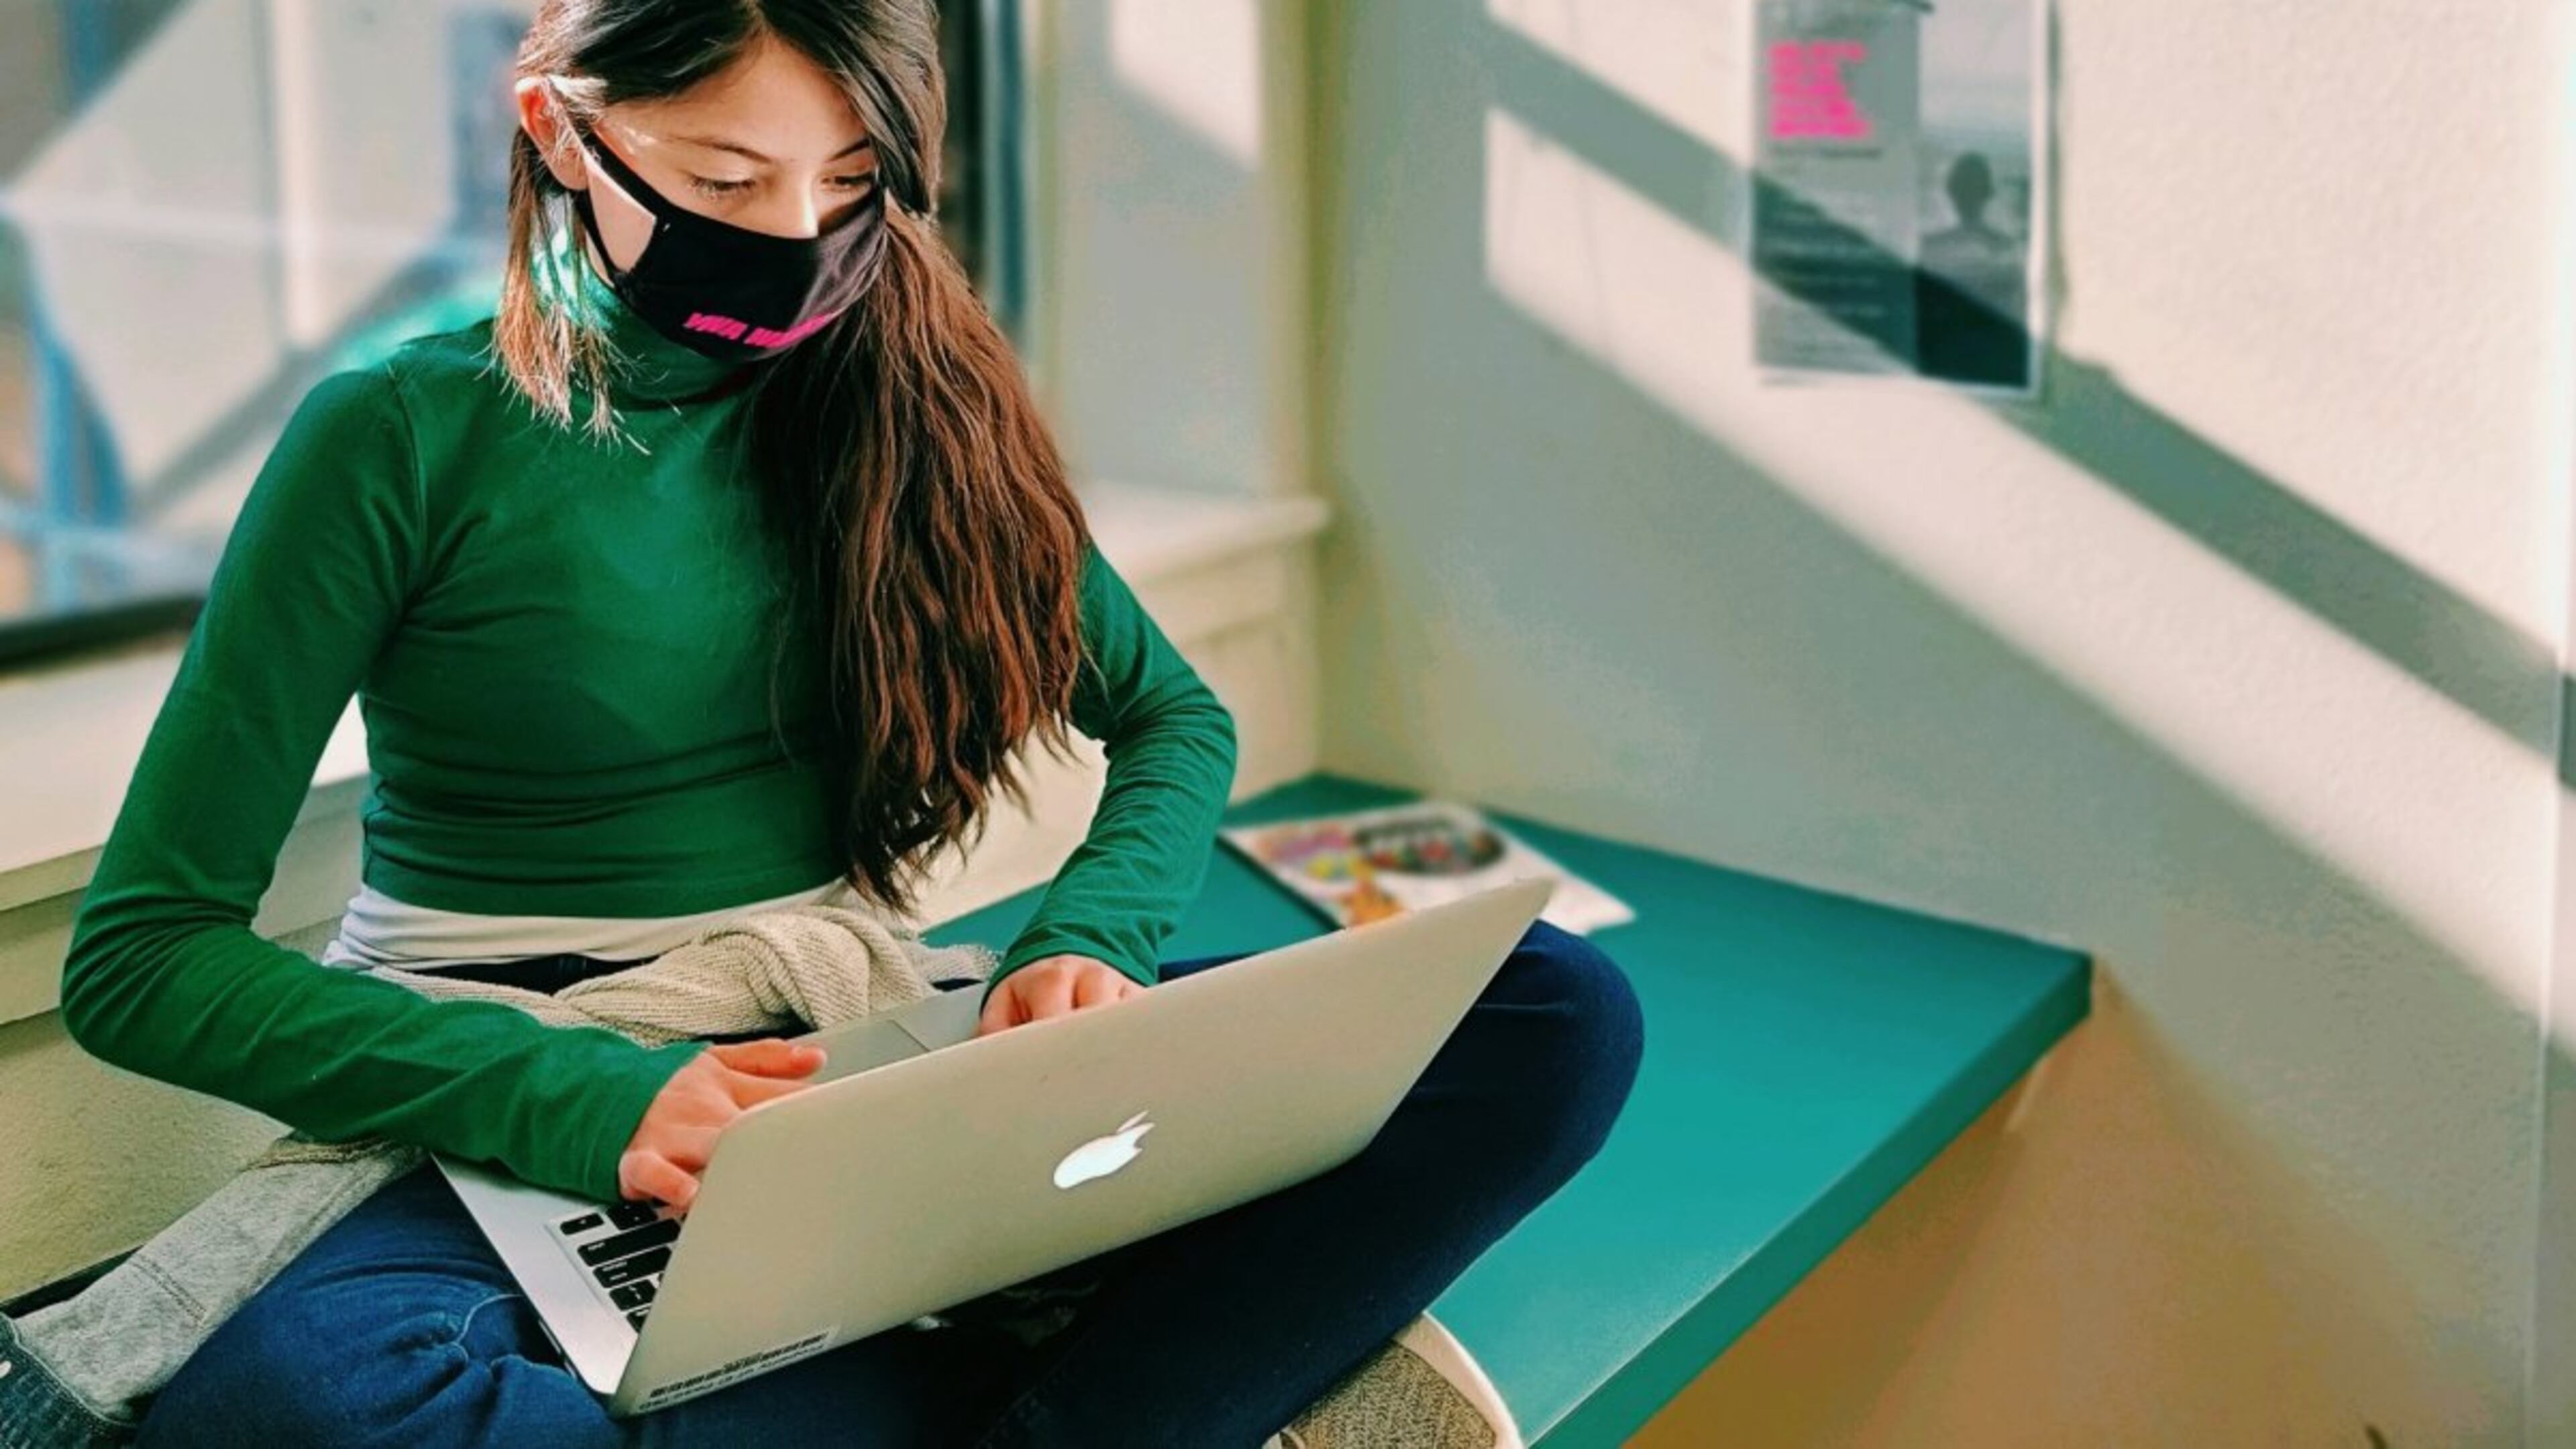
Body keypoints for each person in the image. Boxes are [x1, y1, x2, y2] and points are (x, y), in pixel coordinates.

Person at [56, 2, 1645, 1444]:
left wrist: (1085, 939)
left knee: (1551, 1014)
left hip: (857, 1063)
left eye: (852, 182)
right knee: (321, 1406)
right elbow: (142, 957)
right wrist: (595, 1103)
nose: (803, 239)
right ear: (557, 126)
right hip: (522, 1083)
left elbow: (1169, 716)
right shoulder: (403, 433)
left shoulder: (921, 395)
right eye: (730, 182)